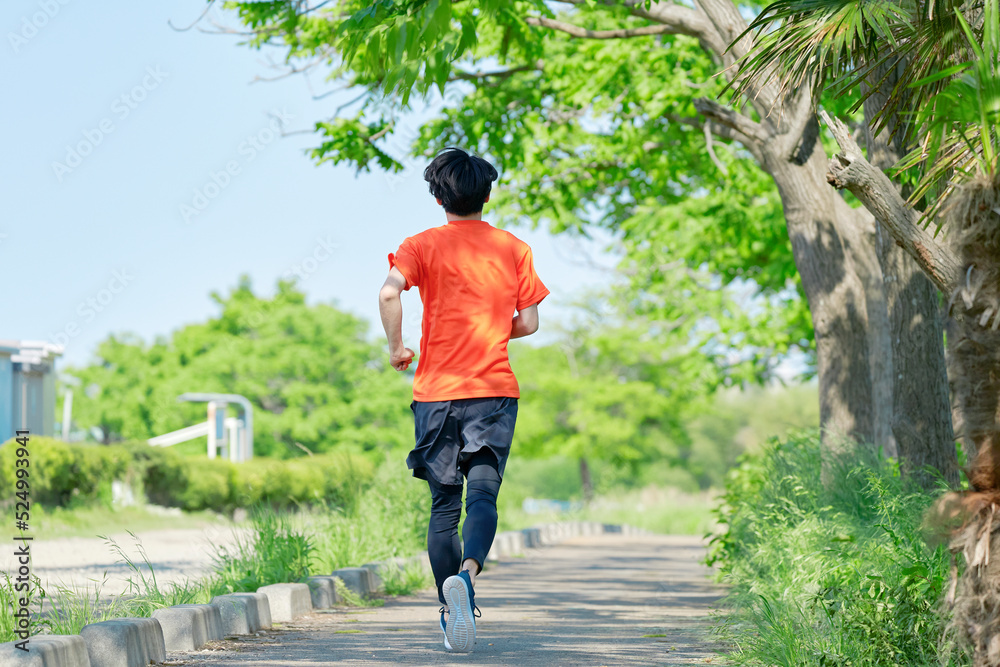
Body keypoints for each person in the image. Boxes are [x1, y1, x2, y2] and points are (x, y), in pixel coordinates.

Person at [377, 147, 549, 653]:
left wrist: (396, 348)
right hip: (493, 391)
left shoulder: (420, 245)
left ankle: (447, 609)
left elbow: (390, 294)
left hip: (436, 394)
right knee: (483, 495)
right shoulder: (513, 248)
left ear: (438, 197)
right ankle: (468, 579)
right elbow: (531, 322)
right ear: (488, 194)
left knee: (443, 508)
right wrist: (495, 328)